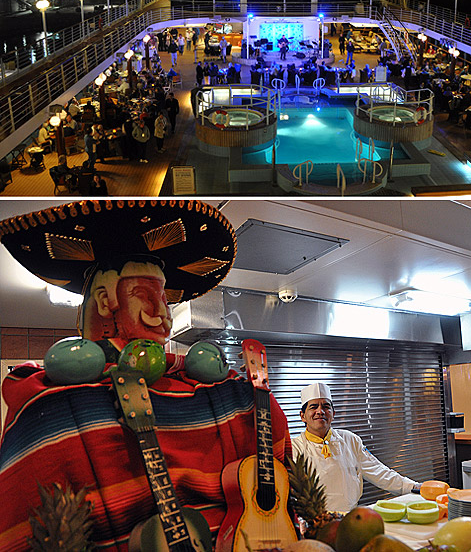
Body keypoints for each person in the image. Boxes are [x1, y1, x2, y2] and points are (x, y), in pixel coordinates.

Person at [0, 201, 291, 552]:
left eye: (165, 299)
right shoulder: (45, 405)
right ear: (106, 302)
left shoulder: (230, 388)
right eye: (144, 295)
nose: (163, 314)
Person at [292, 382, 421, 513]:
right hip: (316, 522)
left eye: (326, 406)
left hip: (351, 517)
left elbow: (379, 471)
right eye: (313, 407)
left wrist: (413, 486)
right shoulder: (294, 448)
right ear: (302, 416)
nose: (320, 411)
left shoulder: (350, 439)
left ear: (333, 413)